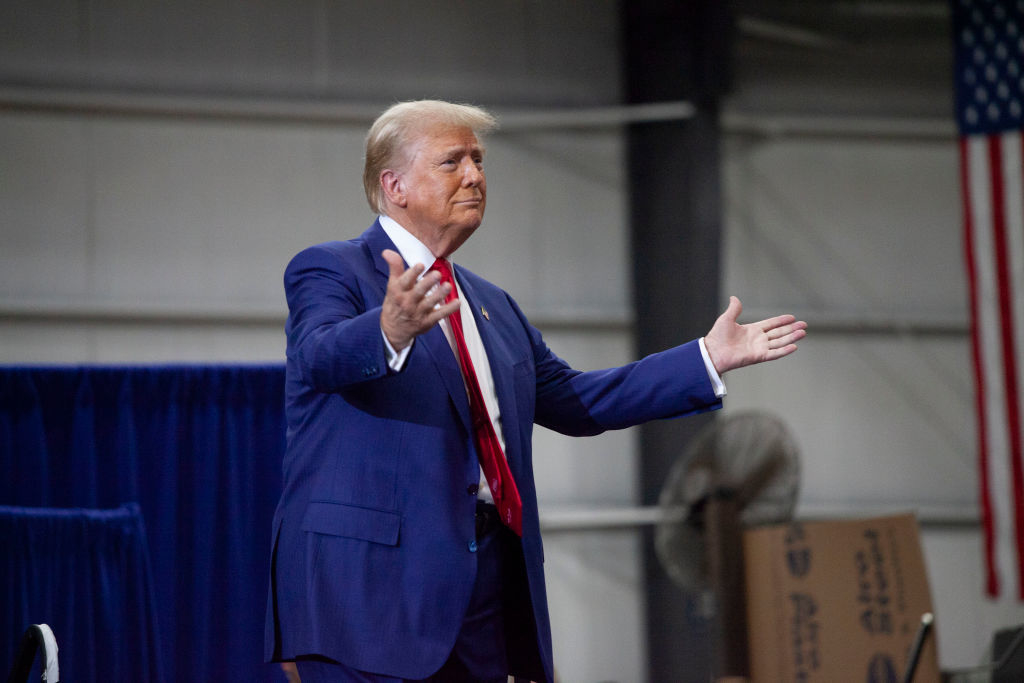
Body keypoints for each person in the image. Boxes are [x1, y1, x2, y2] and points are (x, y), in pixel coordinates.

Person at [264, 100, 806, 683]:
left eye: (478, 160)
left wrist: (705, 359)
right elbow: (319, 357)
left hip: (490, 589)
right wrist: (389, 329)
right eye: (453, 161)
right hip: (370, 595)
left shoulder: (493, 305)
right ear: (394, 185)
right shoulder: (331, 269)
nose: (474, 175)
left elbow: (578, 401)